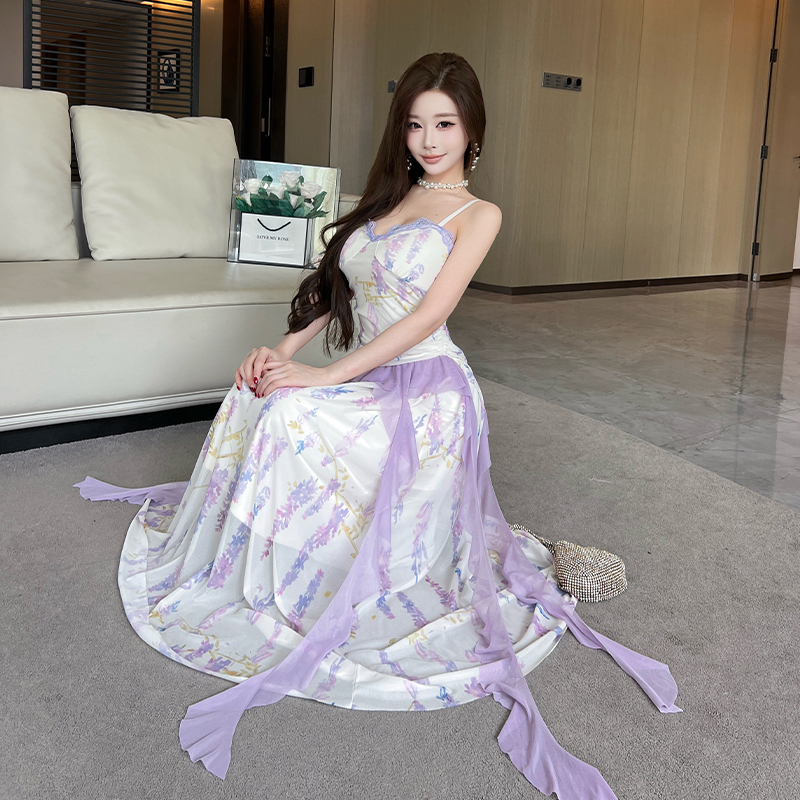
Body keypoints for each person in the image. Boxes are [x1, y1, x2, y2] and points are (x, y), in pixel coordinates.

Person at [75, 52, 679, 799]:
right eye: (416, 125)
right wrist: (283, 350)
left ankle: (312, 565)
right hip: (369, 377)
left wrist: (324, 376)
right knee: (261, 391)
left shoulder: (478, 215)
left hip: (429, 394)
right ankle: (271, 565)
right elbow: (339, 288)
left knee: (294, 405)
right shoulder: (387, 198)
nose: (430, 140)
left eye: (445, 125)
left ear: (472, 130)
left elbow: (426, 318)